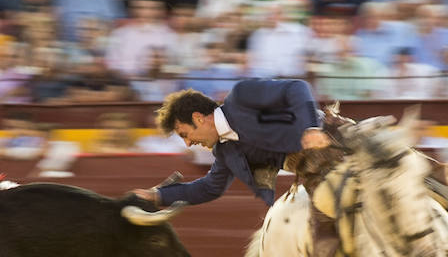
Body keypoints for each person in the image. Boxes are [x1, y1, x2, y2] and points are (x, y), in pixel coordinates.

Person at [132, 79, 331, 208]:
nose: (188, 143)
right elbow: (208, 188)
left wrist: (310, 128)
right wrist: (157, 196)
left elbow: (296, 87)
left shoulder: (241, 96)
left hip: (335, 143)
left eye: (185, 134)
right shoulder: (225, 151)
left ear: (199, 118)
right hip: (320, 178)